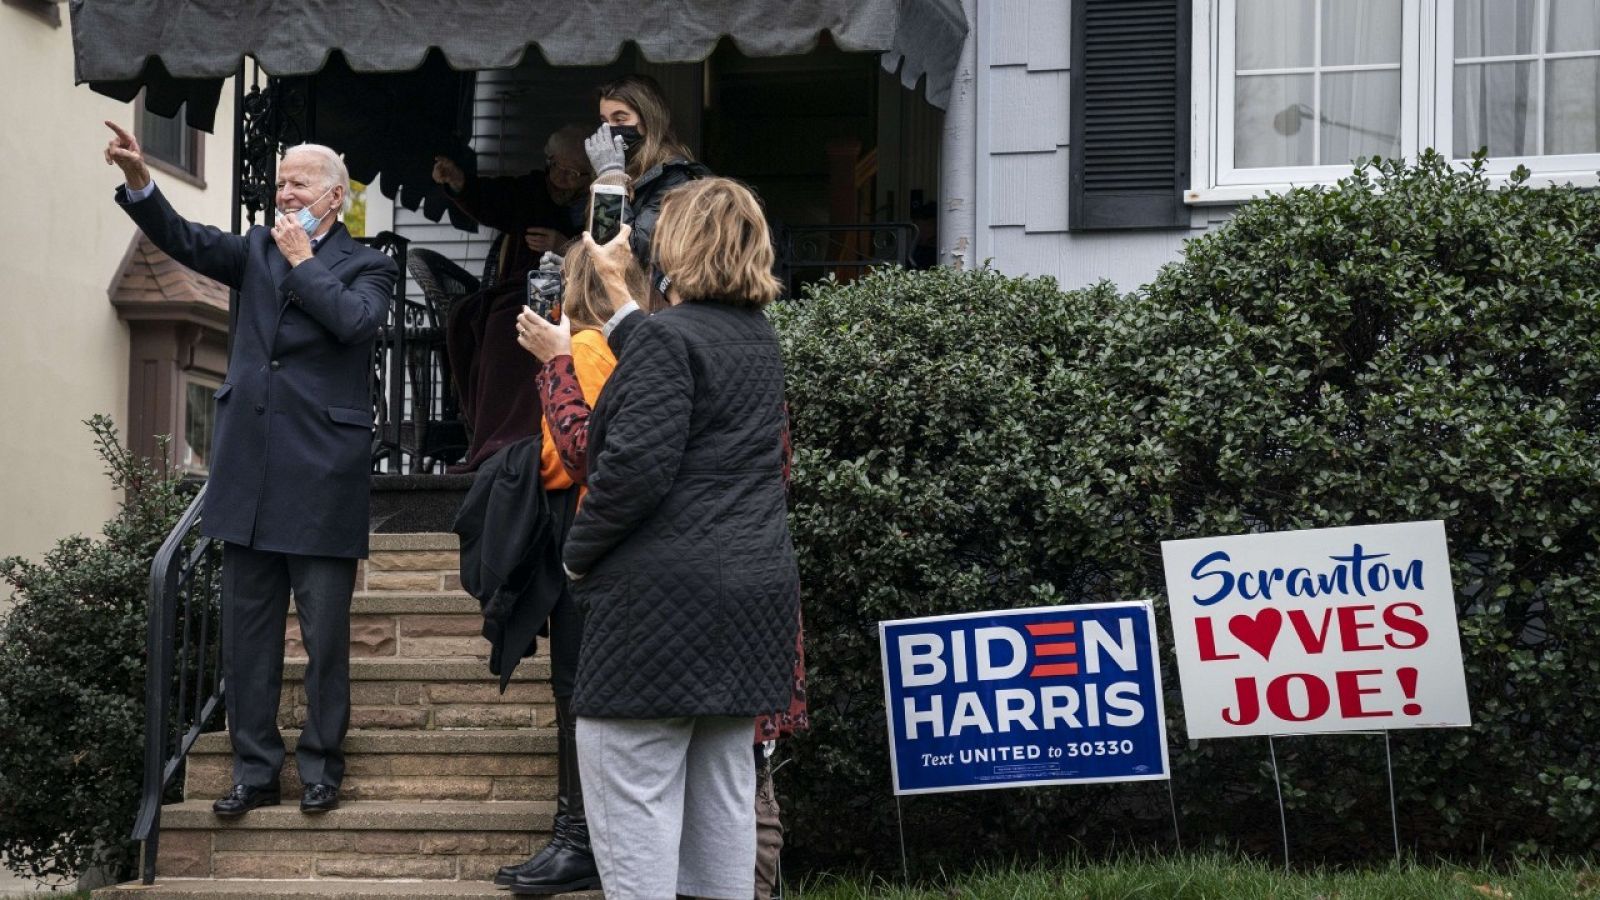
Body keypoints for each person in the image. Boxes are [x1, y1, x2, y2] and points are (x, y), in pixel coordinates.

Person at [104, 123, 397, 817]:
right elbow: (185, 239)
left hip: (322, 475)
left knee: (325, 640)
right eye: (279, 182)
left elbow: (357, 325)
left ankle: (321, 766)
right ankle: (256, 770)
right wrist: (140, 178)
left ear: (333, 197)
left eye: (298, 183)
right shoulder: (255, 248)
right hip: (250, 475)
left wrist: (304, 263)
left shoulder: (369, 264)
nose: (283, 192)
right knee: (247, 639)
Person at [555, 179, 801, 900]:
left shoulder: (671, 338)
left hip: (658, 608)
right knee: (722, 806)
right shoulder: (757, 337)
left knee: (633, 810)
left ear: (678, 245)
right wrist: (620, 298)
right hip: (753, 601)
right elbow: (680, 362)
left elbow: (633, 473)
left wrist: (576, 555)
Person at [486, 242, 647, 896]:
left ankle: (577, 840)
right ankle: (577, 837)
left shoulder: (584, 348)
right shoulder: (631, 345)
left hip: (586, 543)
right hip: (612, 547)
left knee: (576, 694)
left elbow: (572, 456)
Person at [430, 125, 593, 472]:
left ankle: (538, 438)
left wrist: (563, 246)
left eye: (574, 173)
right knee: (498, 330)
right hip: (519, 293)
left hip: (578, 298)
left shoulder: (598, 202)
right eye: (557, 167)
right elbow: (491, 200)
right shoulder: (531, 190)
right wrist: (459, 182)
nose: (562, 179)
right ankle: (495, 442)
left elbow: (604, 254)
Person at [584, 74, 710, 272]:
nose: (609, 130)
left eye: (620, 119)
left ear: (648, 120)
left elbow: (629, 254)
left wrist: (610, 180)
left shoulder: (676, 178)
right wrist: (574, 267)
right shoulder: (623, 169)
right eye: (604, 121)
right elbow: (602, 243)